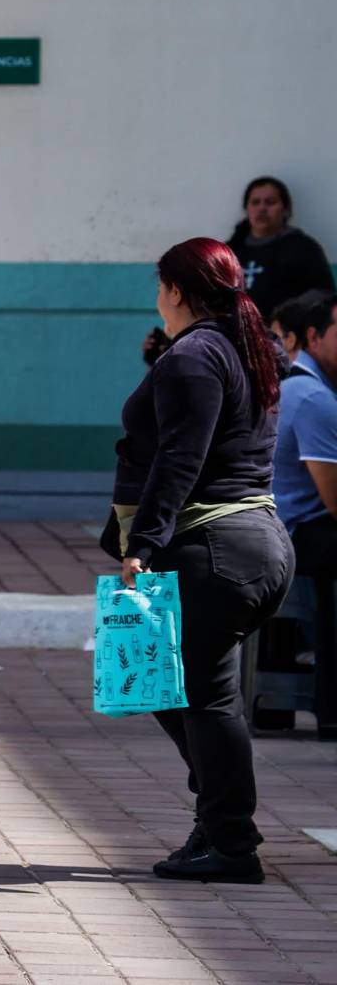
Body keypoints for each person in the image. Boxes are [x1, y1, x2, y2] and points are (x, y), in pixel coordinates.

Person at [105, 238, 294, 884]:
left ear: (178, 290)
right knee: (164, 685)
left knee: (205, 699)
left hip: (214, 546)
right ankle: (217, 817)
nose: (157, 299)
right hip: (253, 543)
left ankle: (232, 844)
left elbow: (180, 458)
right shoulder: (246, 348)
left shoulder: (197, 356)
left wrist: (142, 545)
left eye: (160, 287)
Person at [273, 290, 337, 735]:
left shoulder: (301, 387)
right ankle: (331, 704)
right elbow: (335, 501)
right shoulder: (313, 397)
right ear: (313, 338)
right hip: (290, 534)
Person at [228, 176, 332, 319]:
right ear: (247, 209)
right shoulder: (230, 251)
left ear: (286, 209)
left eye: (270, 202)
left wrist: (289, 311)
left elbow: (323, 291)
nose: (262, 208)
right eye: (255, 202)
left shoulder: (303, 247)